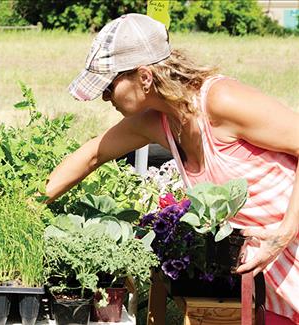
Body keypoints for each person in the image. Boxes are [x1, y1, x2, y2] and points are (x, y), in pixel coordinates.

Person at [44, 13, 299, 324]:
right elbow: (91, 156)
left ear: (144, 77)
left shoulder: (221, 101)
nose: (104, 97)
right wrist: (28, 205)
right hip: (276, 279)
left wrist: (283, 234)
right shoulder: (159, 123)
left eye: (109, 87)